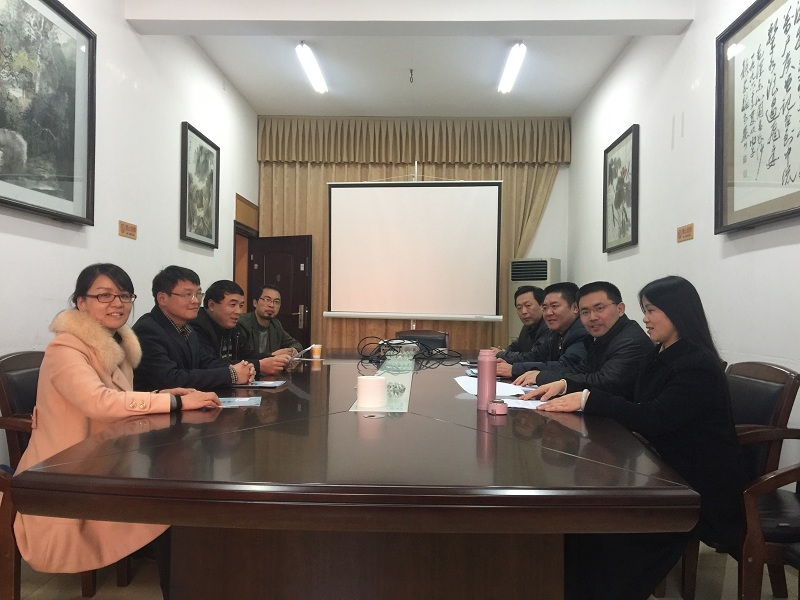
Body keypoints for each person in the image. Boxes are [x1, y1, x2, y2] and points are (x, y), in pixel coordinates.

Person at [529, 275, 746, 600]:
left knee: (606, 540)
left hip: (695, 486)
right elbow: (625, 393)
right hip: (661, 468)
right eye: (644, 310)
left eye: (652, 310)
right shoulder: (660, 353)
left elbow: (653, 418)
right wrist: (568, 386)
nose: (645, 318)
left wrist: (588, 399)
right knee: (583, 529)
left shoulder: (696, 365)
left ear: (678, 312)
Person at [13, 263, 220, 596]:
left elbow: (119, 396)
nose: (117, 303)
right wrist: (174, 403)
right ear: (81, 302)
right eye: (104, 295)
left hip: (109, 451)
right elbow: (99, 402)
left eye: (124, 296)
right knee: (174, 497)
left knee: (182, 481)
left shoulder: (114, 342)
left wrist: (163, 394)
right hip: (69, 463)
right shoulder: (65, 349)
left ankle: (187, 574)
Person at [515, 281, 652, 399]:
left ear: (620, 309)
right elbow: (582, 369)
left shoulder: (630, 341)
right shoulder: (601, 336)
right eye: (585, 312)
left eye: (599, 308)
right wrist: (542, 375)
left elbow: (604, 381)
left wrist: (562, 384)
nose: (592, 317)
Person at [132, 266, 255, 391]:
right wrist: (232, 375)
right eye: (187, 294)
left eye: (198, 294)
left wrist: (242, 369)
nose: (196, 301)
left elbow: (206, 363)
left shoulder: (187, 329)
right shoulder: (148, 330)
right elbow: (170, 379)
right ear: (162, 298)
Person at [191, 280, 290, 375]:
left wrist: (273, 358)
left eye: (241, 305)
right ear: (211, 305)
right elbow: (209, 365)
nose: (238, 311)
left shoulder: (233, 327)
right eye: (233, 305)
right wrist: (259, 365)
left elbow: (246, 354)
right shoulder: (196, 327)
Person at [496, 282, 589, 378]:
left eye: (554, 306)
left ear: (575, 308)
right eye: (545, 308)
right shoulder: (554, 332)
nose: (548, 313)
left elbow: (565, 366)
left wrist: (514, 369)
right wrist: (509, 364)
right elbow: (537, 356)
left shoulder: (582, 332)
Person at [237, 284, 304, 365]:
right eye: (267, 300)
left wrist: (292, 351)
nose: (271, 305)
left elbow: (296, 344)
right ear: (255, 303)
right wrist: (272, 355)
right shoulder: (242, 323)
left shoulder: (275, 325)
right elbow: (243, 357)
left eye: (276, 302)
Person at [492, 285, 548, 361]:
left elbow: (534, 357)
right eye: (519, 308)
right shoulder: (528, 326)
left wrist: (501, 354)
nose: (523, 312)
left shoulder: (549, 326)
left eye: (528, 305)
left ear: (542, 305)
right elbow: (517, 346)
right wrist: (503, 351)